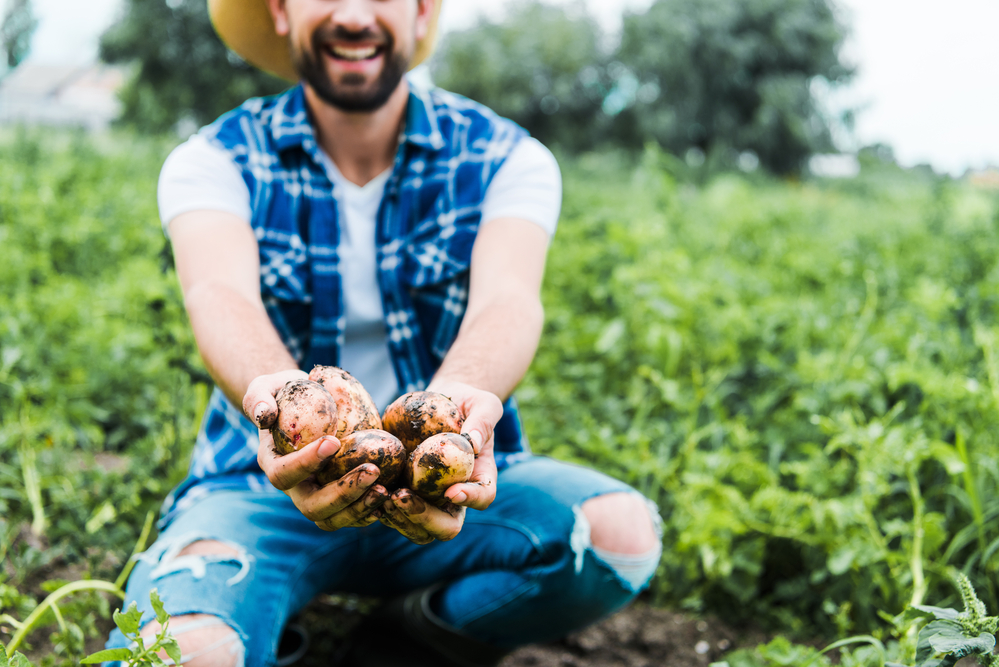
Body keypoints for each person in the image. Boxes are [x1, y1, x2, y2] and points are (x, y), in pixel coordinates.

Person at [105, 0, 663, 664]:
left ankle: (416, 633)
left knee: (615, 537)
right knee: (179, 651)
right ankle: (262, 626)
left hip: (446, 494)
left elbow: (508, 301)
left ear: (422, 9)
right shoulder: (215, 159)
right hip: (263, 490)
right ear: (280, 10)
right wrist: (281, 400)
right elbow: (218, 294)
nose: (353, 14)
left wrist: (455, 412)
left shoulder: (504, 157)